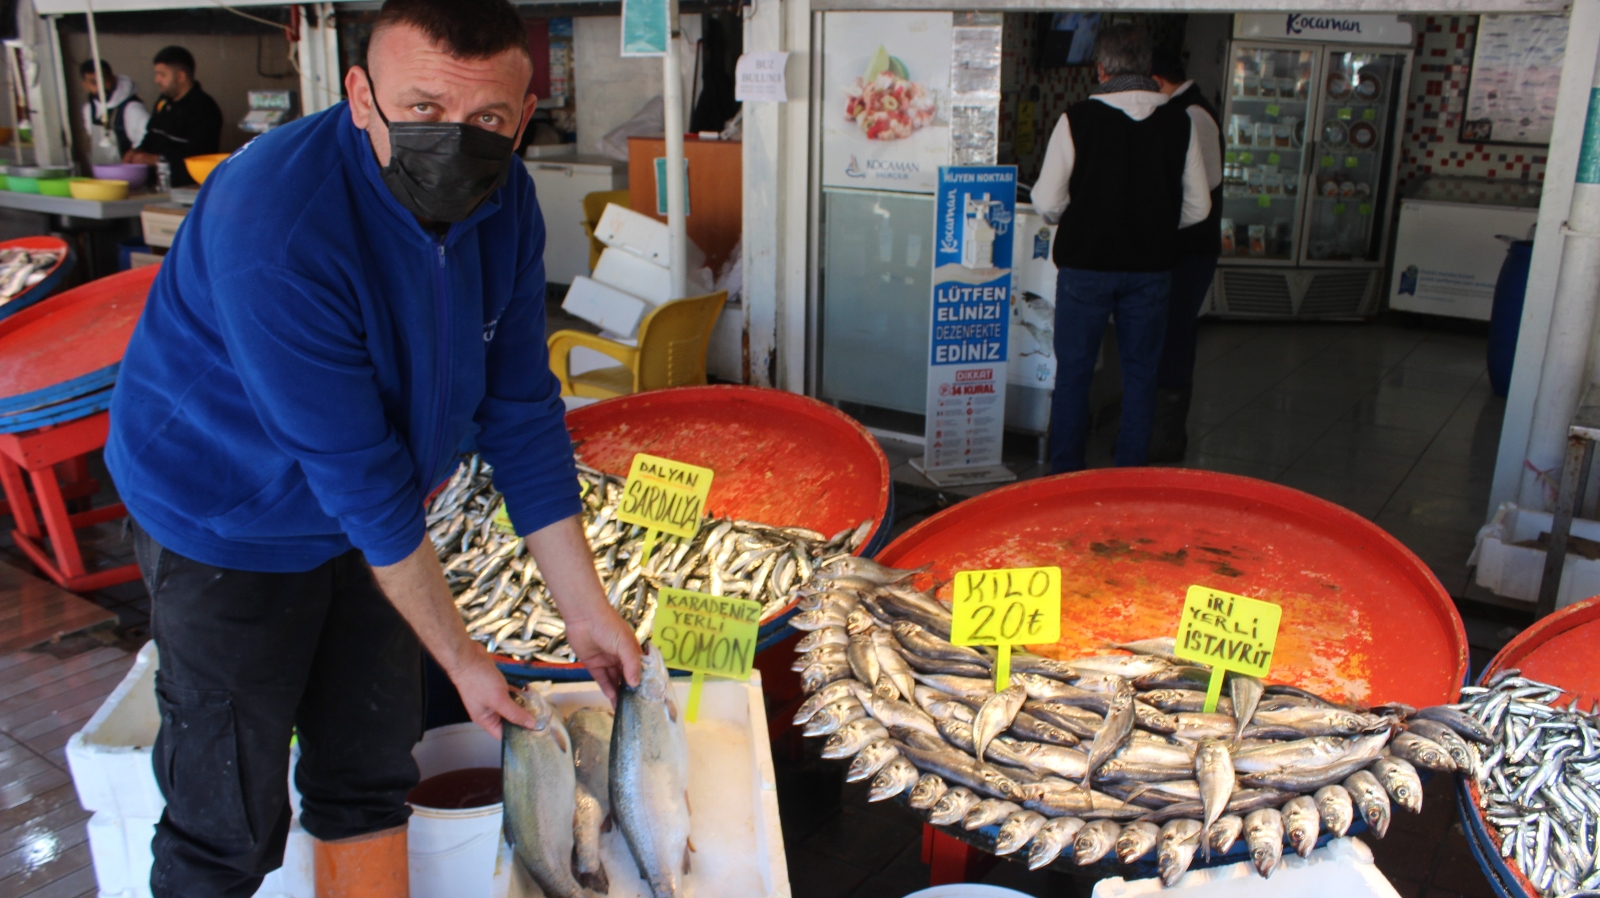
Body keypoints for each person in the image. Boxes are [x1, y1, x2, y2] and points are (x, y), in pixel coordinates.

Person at [105, 1, 644, 895]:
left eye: (489, 121)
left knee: (371, 773)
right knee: (227, 821)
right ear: (360, 96)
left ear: (522, 113)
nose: (458, 140)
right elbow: (362, 482)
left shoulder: (502, 197)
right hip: (226, 518)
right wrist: (465, 659)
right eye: (424, 109)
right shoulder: (276, 222)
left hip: (383, 519)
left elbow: (521, 410)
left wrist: (586, 613)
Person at [1030, 24, 1210, 473]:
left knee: (1072, 376)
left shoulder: (1076, 119)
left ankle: (1065, 476)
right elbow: (1199, 208)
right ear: (1148, 68)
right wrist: (1155, 227)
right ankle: (1128, 478)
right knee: (1141, 374)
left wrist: (1080, 218)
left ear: (1101, 69)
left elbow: (1047, 202)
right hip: (1151, 271)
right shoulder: (1179, 122)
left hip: (1085, 270)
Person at [1149, 52, 1224, 462]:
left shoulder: (1192, 115)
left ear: (1157, 79)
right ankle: (1155, 436)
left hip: (1191, 250)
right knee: (1166, 336)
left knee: (1175, 336)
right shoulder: (1184, 109)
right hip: (1184, 248)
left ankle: (1165, 441)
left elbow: (1202, 192)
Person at [123, 46, 222, 186]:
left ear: (181, 76)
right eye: (156, 74)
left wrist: (156, 159)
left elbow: (200, 154)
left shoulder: (204, 108)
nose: (156, 80)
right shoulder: (163, 101)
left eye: (162, 75)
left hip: (186, 187)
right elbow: (151, 134)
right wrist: (137, 151)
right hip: (156, 184)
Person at [80, 59, 150, 158]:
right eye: (94, 82)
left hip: (130, 169)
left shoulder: (132, 108)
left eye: (104, 80)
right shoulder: (89, 109)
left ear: (113, 78)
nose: (101, 86)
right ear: (85, 86)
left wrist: (135, 151)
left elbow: (150, 139)